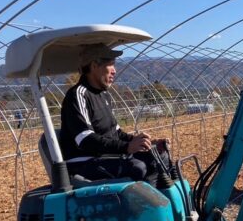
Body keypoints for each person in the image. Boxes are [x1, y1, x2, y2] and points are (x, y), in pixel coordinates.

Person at [59, 45, 172, 187]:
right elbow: (85, 139)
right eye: (110, 65)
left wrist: (144, 143)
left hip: (107, 158)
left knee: (160, 156)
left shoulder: (104, 95)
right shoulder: (78, 95)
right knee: (138, 167)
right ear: (94, 66)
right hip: (84, 163)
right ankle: (145, 207)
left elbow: (116, 132)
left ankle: (166, 202)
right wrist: (127, 147)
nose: (114, 71)